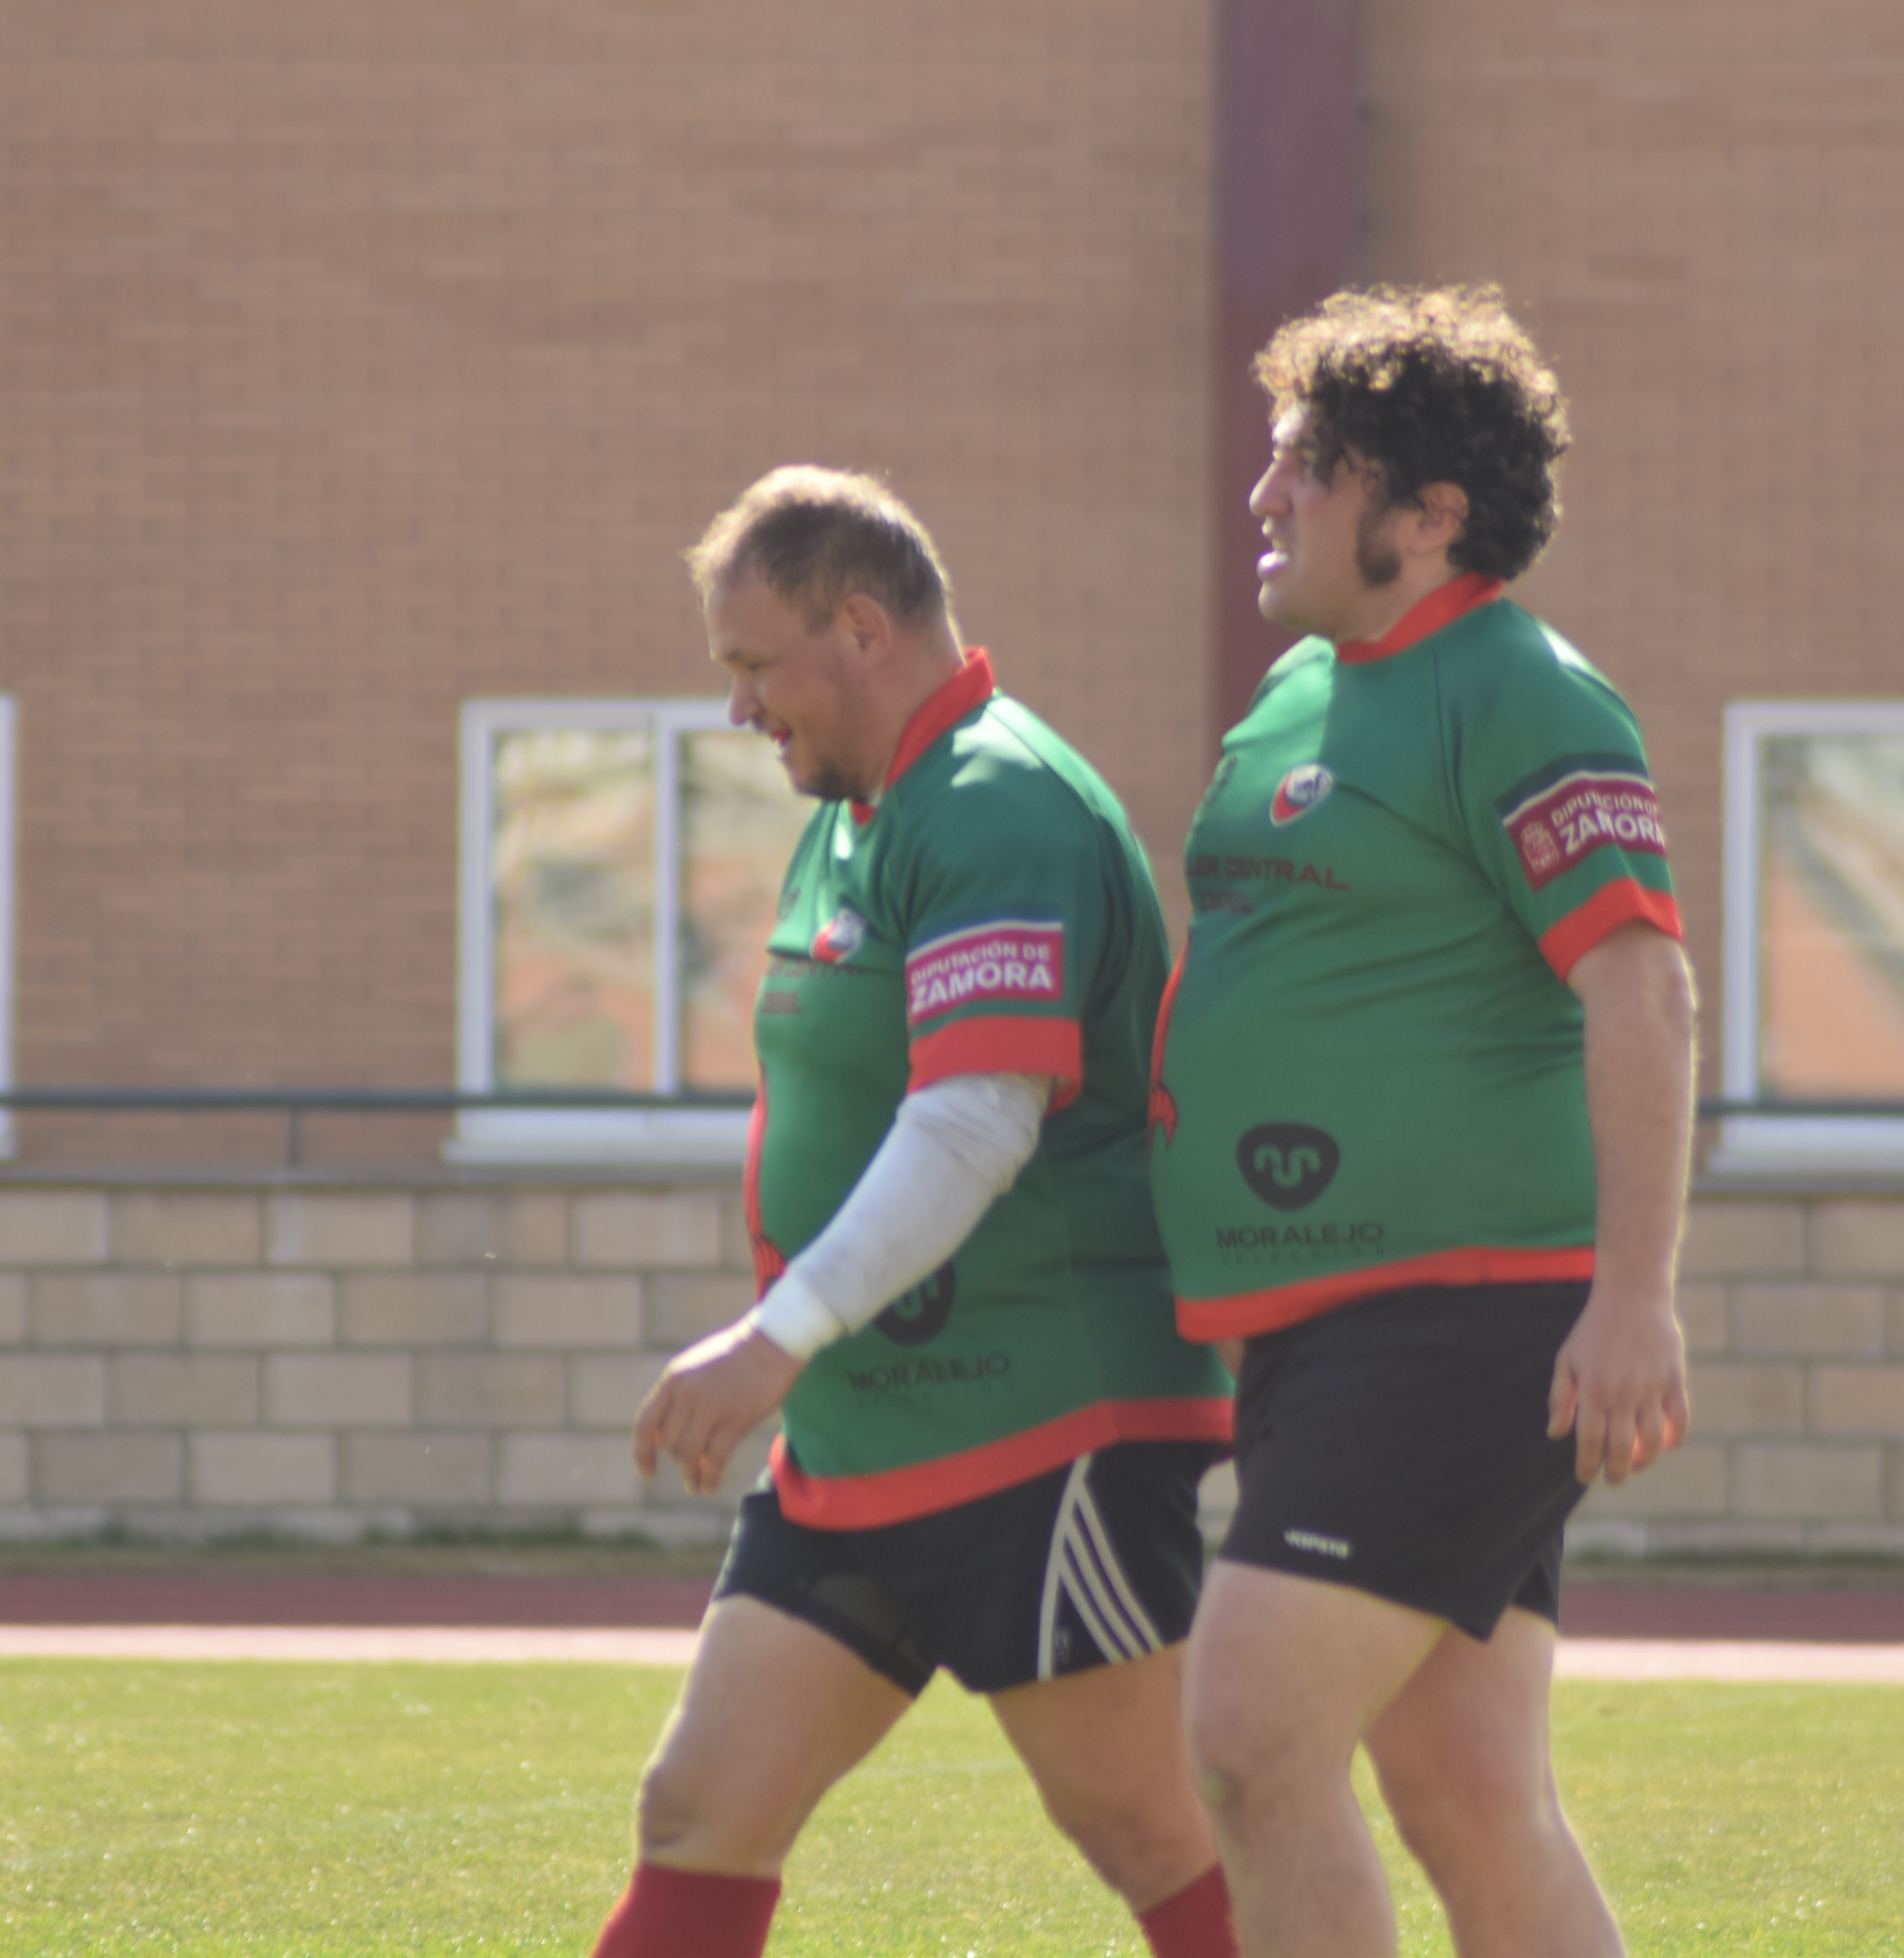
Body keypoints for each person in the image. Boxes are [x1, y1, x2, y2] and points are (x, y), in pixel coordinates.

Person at [599, 469, 1239, 1958]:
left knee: (1156, 1837)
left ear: (864, 630)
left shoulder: (996, 800)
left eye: (758, 668)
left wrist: (778, 1333)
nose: (742, 711)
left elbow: (974, 1119)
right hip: (869, 1426)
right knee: (699, 1813)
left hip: (1037, 1423)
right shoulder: (861, 809)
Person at [1150, 287, 1696, 1958]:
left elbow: (1642, 992)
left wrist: (1634, 1294)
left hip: (1459, 1319)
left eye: (1306, 467)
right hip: (1317, 1326)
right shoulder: (1298, 704)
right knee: (1473, 1799)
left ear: (1429, 513)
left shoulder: (1521, 691)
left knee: (1248, 1744)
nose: (1264, 499)